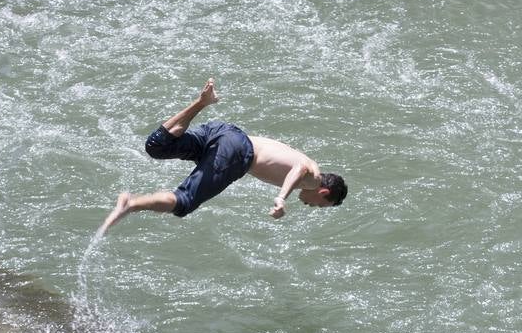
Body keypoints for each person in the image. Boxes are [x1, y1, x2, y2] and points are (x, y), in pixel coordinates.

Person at [100, 78, 347, 234]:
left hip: (223, 133)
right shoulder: (313, 178)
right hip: (237, 152)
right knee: (184, 202)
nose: (313, 206)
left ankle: (202, 102)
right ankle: (131, 204)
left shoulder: (305, 161)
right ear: (324, 193)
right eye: (320, 205)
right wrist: (281, 198)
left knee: (157, 146)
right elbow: (300, 170)